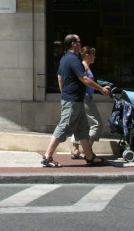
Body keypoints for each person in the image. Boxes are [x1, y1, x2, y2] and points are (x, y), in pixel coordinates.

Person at [41, 34, 110, 167]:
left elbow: (60, 77)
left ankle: (89, 157)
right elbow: (83, 79)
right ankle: (47, 156)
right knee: (64, 126)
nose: (80, 43)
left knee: (83, 129)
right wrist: (101, 89)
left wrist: (64, 93)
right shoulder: (73, 60)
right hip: (72, 101)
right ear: (74, 44)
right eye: (79, 41)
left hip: (75, 99)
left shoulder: (65, 58)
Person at [69, 46, 105, 159]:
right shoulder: (84, 67)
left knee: (79, 123)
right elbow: (84, 81)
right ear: (88, 56)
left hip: (83, 97)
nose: (95, 57)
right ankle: (87, 149)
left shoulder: (84, 66)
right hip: (85, 98)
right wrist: (101, 89)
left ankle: (76, 149)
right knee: (97, 123)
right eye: (93, 55)